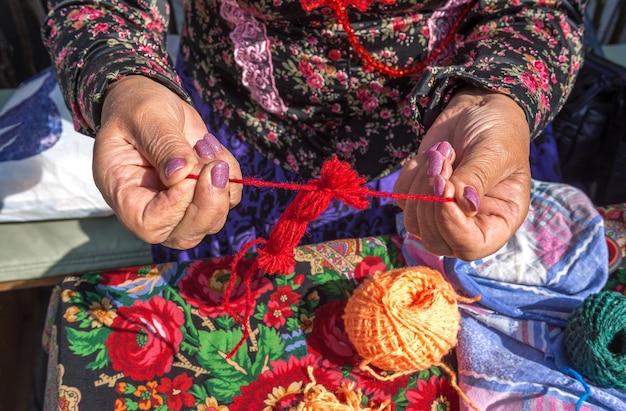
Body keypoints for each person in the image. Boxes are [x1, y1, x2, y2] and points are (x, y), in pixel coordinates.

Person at [41, 0, 586, 263]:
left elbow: (539, 8)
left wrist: (501, 102)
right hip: (221, 154)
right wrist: (126, 81)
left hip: (452, 160)